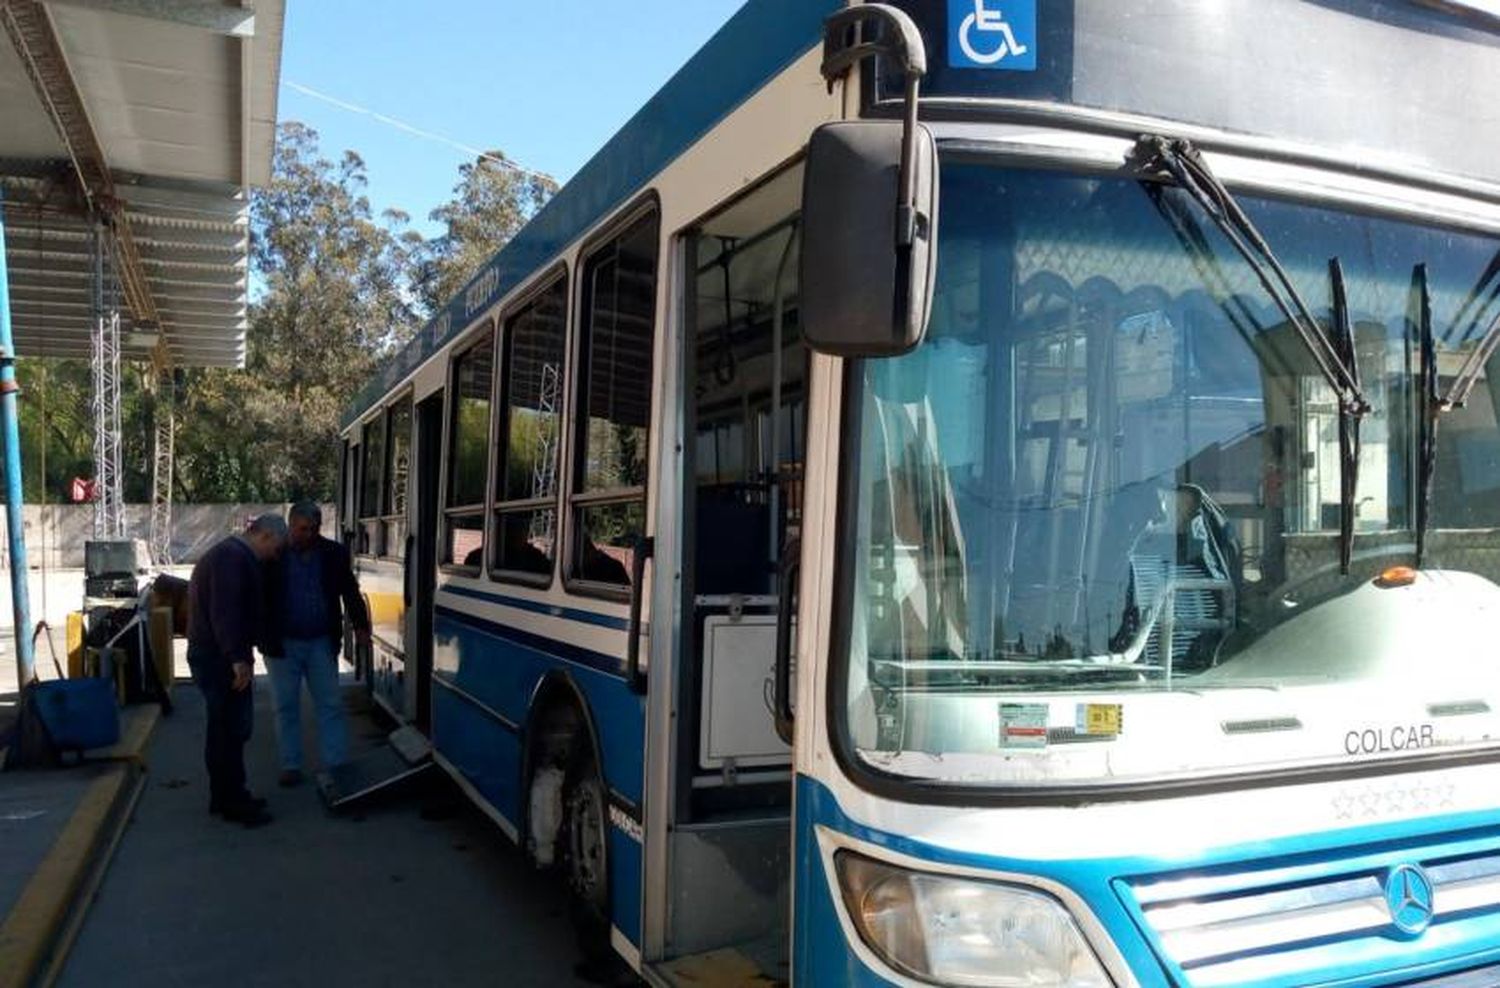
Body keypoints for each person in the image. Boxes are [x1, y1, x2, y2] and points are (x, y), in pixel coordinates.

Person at [187, 513, 287, 827]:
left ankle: (226, 795)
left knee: (226, 730)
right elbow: (226, 613)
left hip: (217, 655)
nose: (276, 555)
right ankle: (232, 800)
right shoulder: (232, 559)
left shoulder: (228, 555)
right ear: (266, 536)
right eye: (277, 547)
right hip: (220, 659)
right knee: (230, 730)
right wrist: (237, 659)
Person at [263, 501, 371, 787]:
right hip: (282, 645)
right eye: (302, 529)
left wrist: (361, 626)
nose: (308, 534)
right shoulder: (274, 554)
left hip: (320, 643)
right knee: (285, 706)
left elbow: (350, 591)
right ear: (290, 526)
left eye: (314, 529)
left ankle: (336, 764)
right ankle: (290, 764)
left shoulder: (333, 554)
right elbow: (257, 596)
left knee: (330, 704)